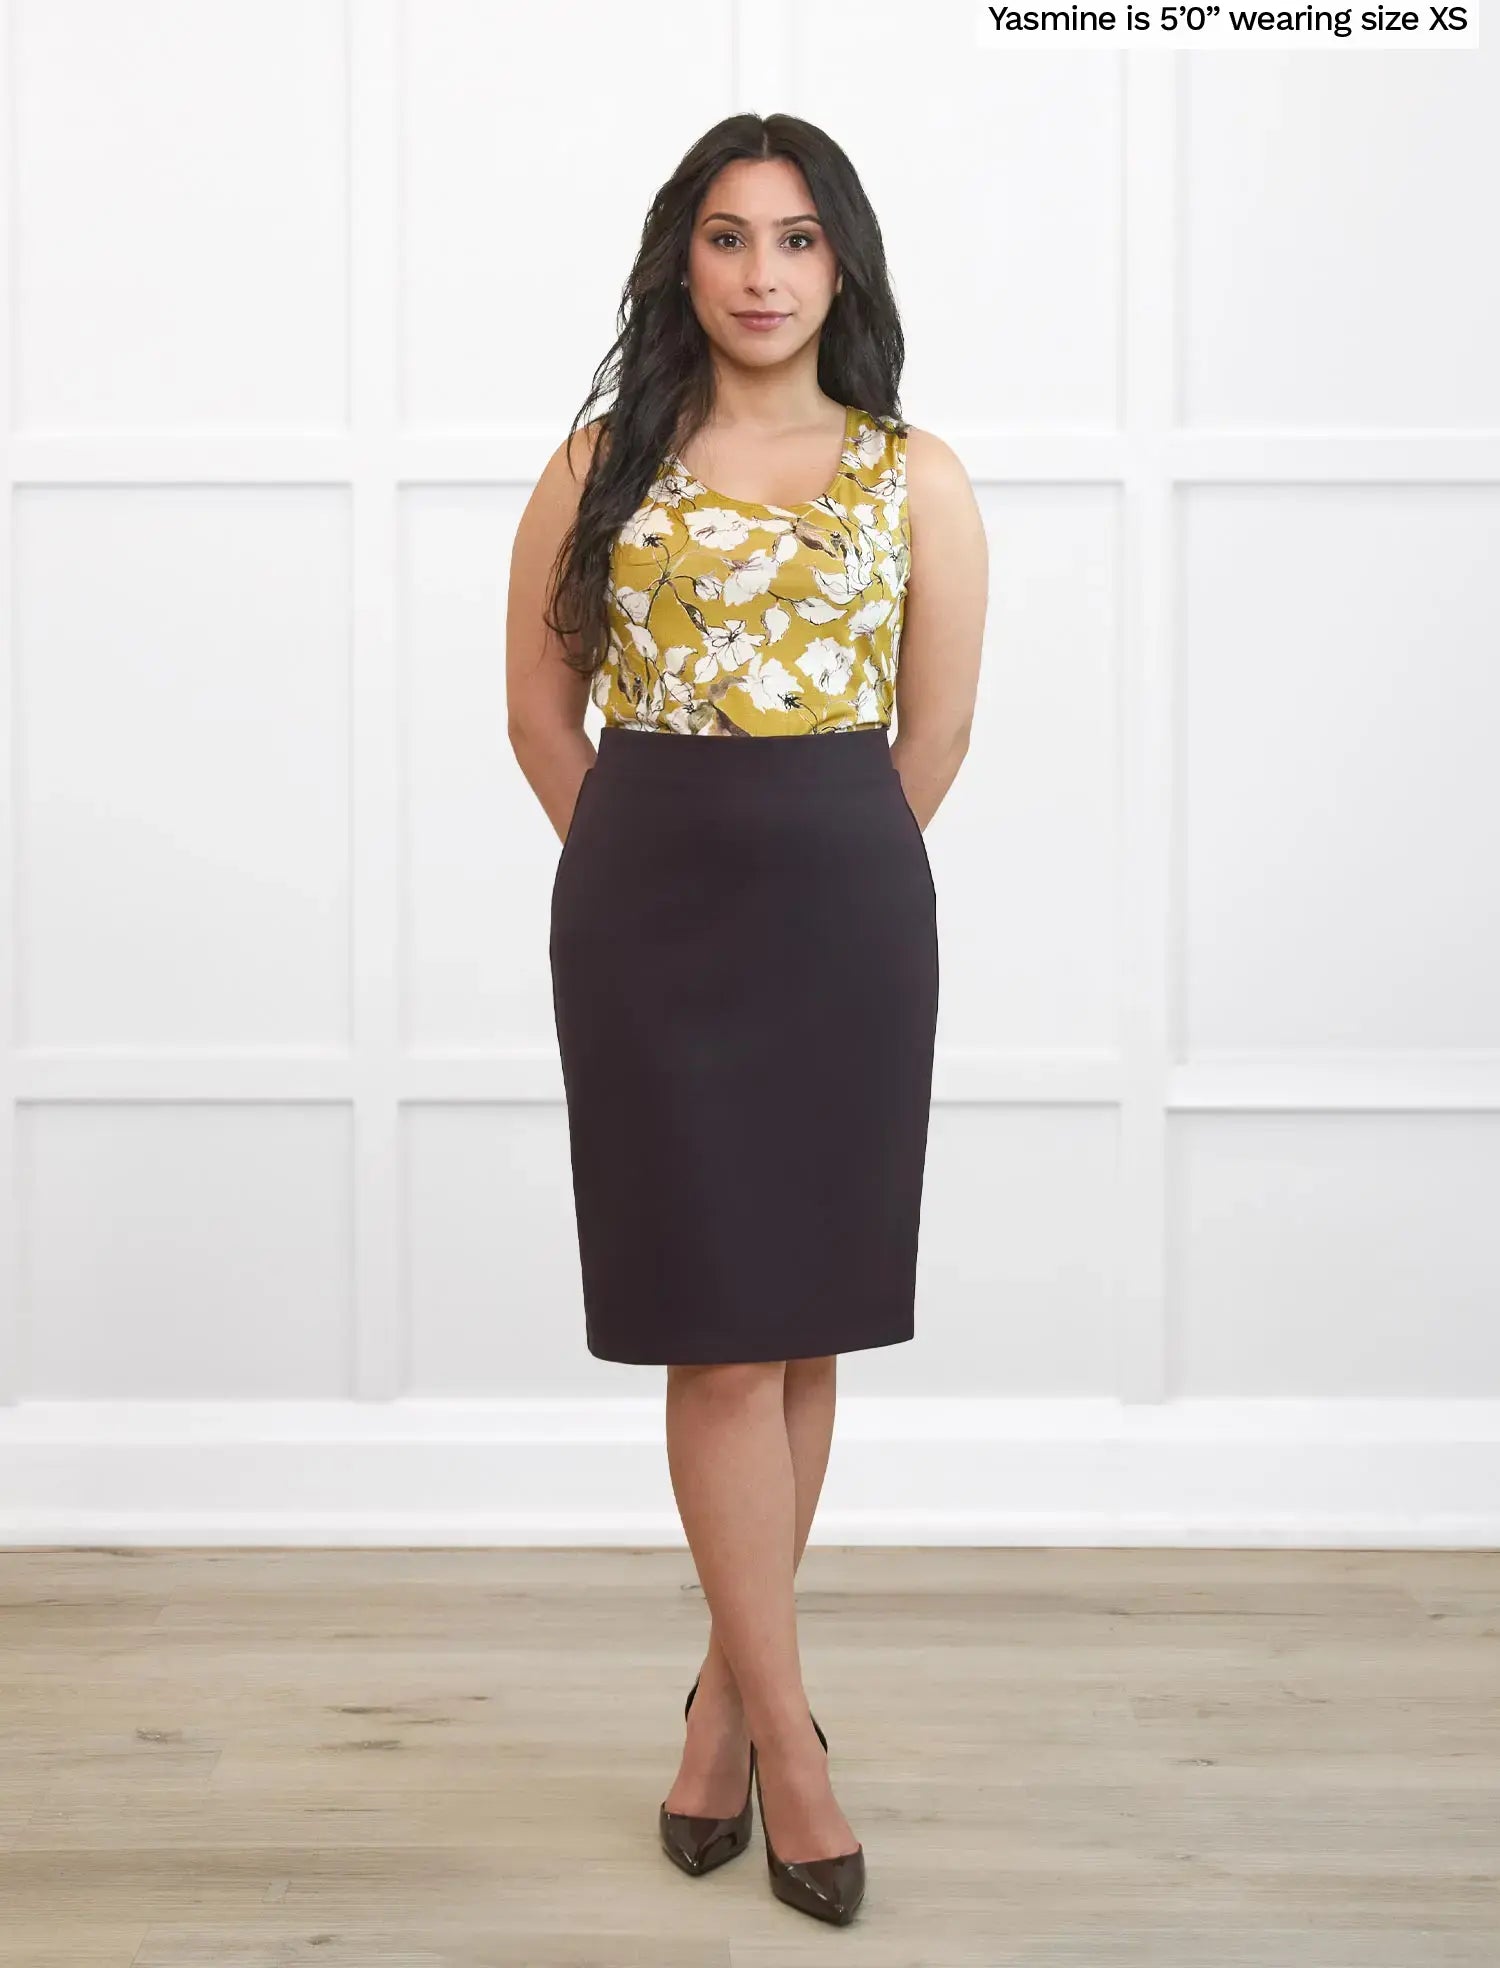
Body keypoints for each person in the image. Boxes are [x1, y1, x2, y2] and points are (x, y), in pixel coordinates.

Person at [506, 112, 986, 1926]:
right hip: (650, 912)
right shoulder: (598, 465)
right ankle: (795, 1742)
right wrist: (650, 877)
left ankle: (721, 1705)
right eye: (728, 238)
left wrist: (816, 874)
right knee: (714, 1337)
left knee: (798, 1337)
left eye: (796, 240)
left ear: (839, 264)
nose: (763, 274)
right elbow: (540, 715)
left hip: (848, 917)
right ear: (681, 262)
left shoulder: (913, 471)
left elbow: (930, 740)